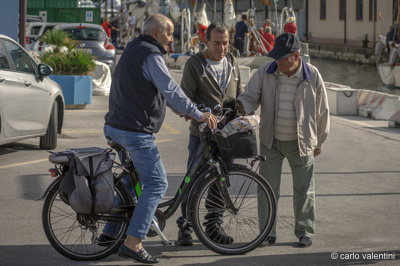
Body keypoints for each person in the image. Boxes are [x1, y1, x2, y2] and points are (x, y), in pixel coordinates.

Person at [102, 14, 218, 264]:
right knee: (156, 184)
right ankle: (133, 243)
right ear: (156, 34)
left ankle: (107, 237)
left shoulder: (133, 48)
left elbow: (152, 89)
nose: (172, 39)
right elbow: (171, 89)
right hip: (134, 131)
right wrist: (198, 114)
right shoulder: (151, 55)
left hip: (116, 125)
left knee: (129, 186)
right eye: (169, 33)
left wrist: (182, 110)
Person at [238, 33, 330, 248]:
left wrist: (319, 142)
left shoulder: (312, 75)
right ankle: (267, 232)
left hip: (302, 142)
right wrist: (239, 108)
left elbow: (322, 111)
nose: (277, 61)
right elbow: (250, 97)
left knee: (304, 189)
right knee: (267, 189)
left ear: (296, 56)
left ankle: (305, 231)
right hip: (271, 140)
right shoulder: (266, 71)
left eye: (282, 57)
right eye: (275, 57)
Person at [177, 21, 243, 246]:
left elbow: (239, 96)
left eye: (225, 43)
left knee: (221, 180)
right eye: (216, 43)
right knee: (193, 178)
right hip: (202, 135)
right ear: (206, 42)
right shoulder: (194, 64)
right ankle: (185, 226)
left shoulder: (232, 62)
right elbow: (185, 99)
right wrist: (201, 112)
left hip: (227, 135)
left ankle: (213, 226)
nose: (222, 48)